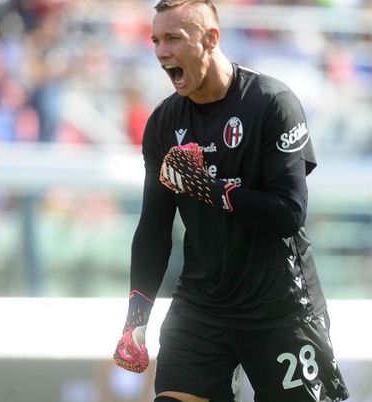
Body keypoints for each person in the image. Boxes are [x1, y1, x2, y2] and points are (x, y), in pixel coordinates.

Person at [113, 1, 350, 401]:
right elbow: (153, 228)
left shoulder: (272, 103)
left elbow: (289, 212)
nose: (161, 51)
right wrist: (136, 320)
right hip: (202, 306)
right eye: (156, 40)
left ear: (210, 39)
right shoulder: (164, 123)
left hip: (279, 306)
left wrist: (212, 188)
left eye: (173, 38)